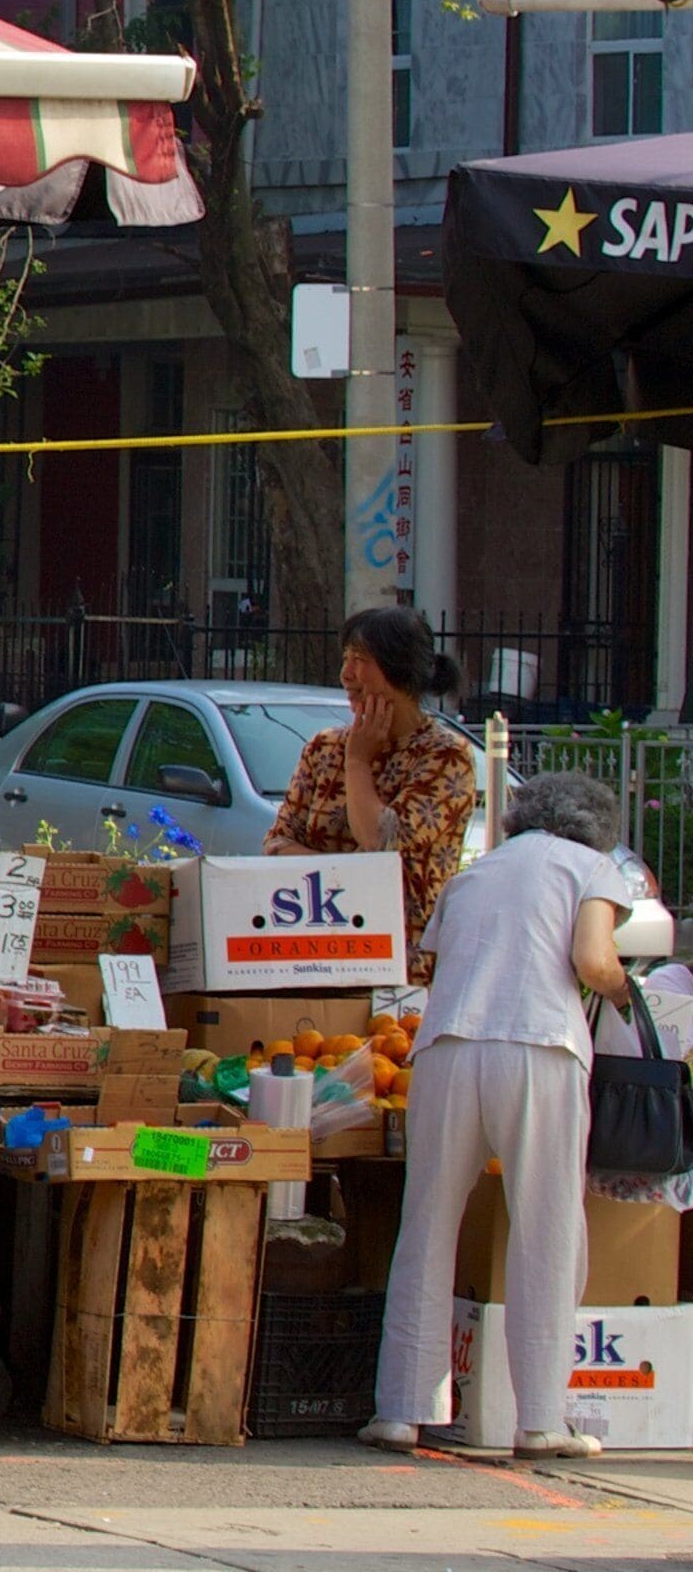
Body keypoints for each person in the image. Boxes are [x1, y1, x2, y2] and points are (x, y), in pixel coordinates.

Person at [363, 769, 636, 1460]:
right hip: (540, 1047)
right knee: (546, 1226)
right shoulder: (593, 867)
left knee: (427, 1220)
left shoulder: (475, 875)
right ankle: (541, 1417)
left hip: (449, 1046)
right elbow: (592, 958)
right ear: (594, 826)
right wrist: (624, 992)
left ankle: (401, 1408)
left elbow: (439, 960)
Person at [265, 606, 481, 949]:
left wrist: (358, 761)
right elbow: (276, 845)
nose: (346, 674)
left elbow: (379, 841)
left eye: (360, 659)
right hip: (315, 949)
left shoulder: (445, 756)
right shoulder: (324, 747)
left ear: (399, 668)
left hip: (401, 960)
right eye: (345, 658)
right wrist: (345, 875)